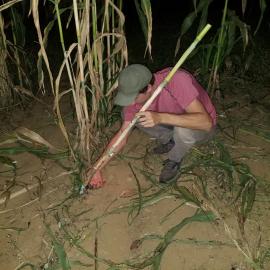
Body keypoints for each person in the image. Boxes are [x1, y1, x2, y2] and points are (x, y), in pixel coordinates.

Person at [86, 64, 216, 188]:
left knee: (182, 130)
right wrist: (96, 168)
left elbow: (206, 123)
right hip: (171, 123)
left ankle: (175, 159)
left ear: (148, 88)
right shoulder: (135, 99)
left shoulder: (176, 80)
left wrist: (160, 117)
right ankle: (171, 140)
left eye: (134, 97)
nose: (130, 102)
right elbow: (122, 135)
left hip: (200, 128)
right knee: (133, 117)